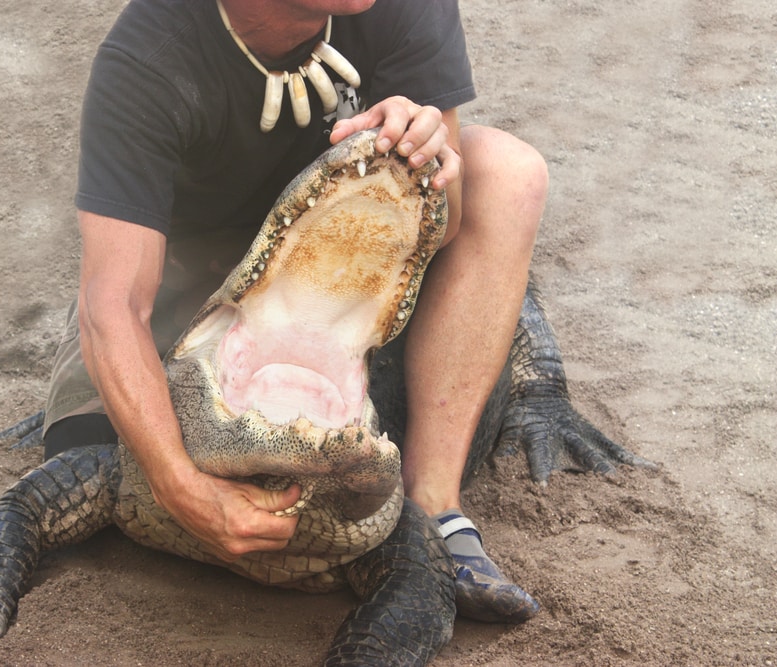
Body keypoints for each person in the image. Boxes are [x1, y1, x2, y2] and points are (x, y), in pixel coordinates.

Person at [43, 0, 546, 622]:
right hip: (196, 298)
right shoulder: (146, 58)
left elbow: (447, 229)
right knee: (85, 451)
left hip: (337, 277)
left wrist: (424, 159)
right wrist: (182, 487)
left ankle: (435, 504)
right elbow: (113, 305)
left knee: (507, 169)